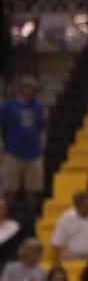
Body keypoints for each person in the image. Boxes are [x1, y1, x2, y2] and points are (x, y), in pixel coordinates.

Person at [0, 77, 45, 206]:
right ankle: (5, 218)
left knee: (34, 189)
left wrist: (41, 144)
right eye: (32, 89)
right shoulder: (8, 106)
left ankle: (32, 218)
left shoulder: (37, 107)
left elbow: (42, 127)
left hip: (34, 154)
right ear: (23, 89)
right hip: (12, 152)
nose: (35, 93)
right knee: (10, 189)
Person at [0, 199, 22, 268]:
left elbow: (16, 250)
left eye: (1, 207)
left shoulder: (14, 226)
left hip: (8, 263)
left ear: (6, 210)